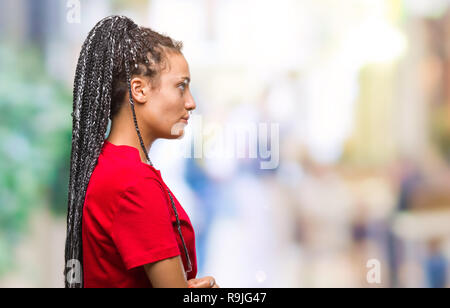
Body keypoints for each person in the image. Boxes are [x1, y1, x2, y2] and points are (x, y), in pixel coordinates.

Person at [64, 15, 219, 288]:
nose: (191, 103)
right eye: (181, 86)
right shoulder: (134, 184)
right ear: (139, 89)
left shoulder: (109, 164)